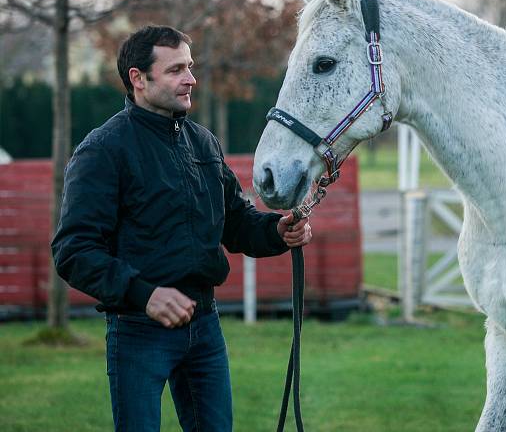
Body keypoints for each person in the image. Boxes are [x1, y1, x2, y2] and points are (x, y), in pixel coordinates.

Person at [51, 25, 311, 431]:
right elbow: (74, 250)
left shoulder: (203, 142)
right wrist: (144, 295)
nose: (190, 79)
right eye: (175, 70)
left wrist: (278, 231)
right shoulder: (104, 149)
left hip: (205, 325)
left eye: (189, 67)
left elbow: (237, 223)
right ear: (138, 79)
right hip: (138, 330)